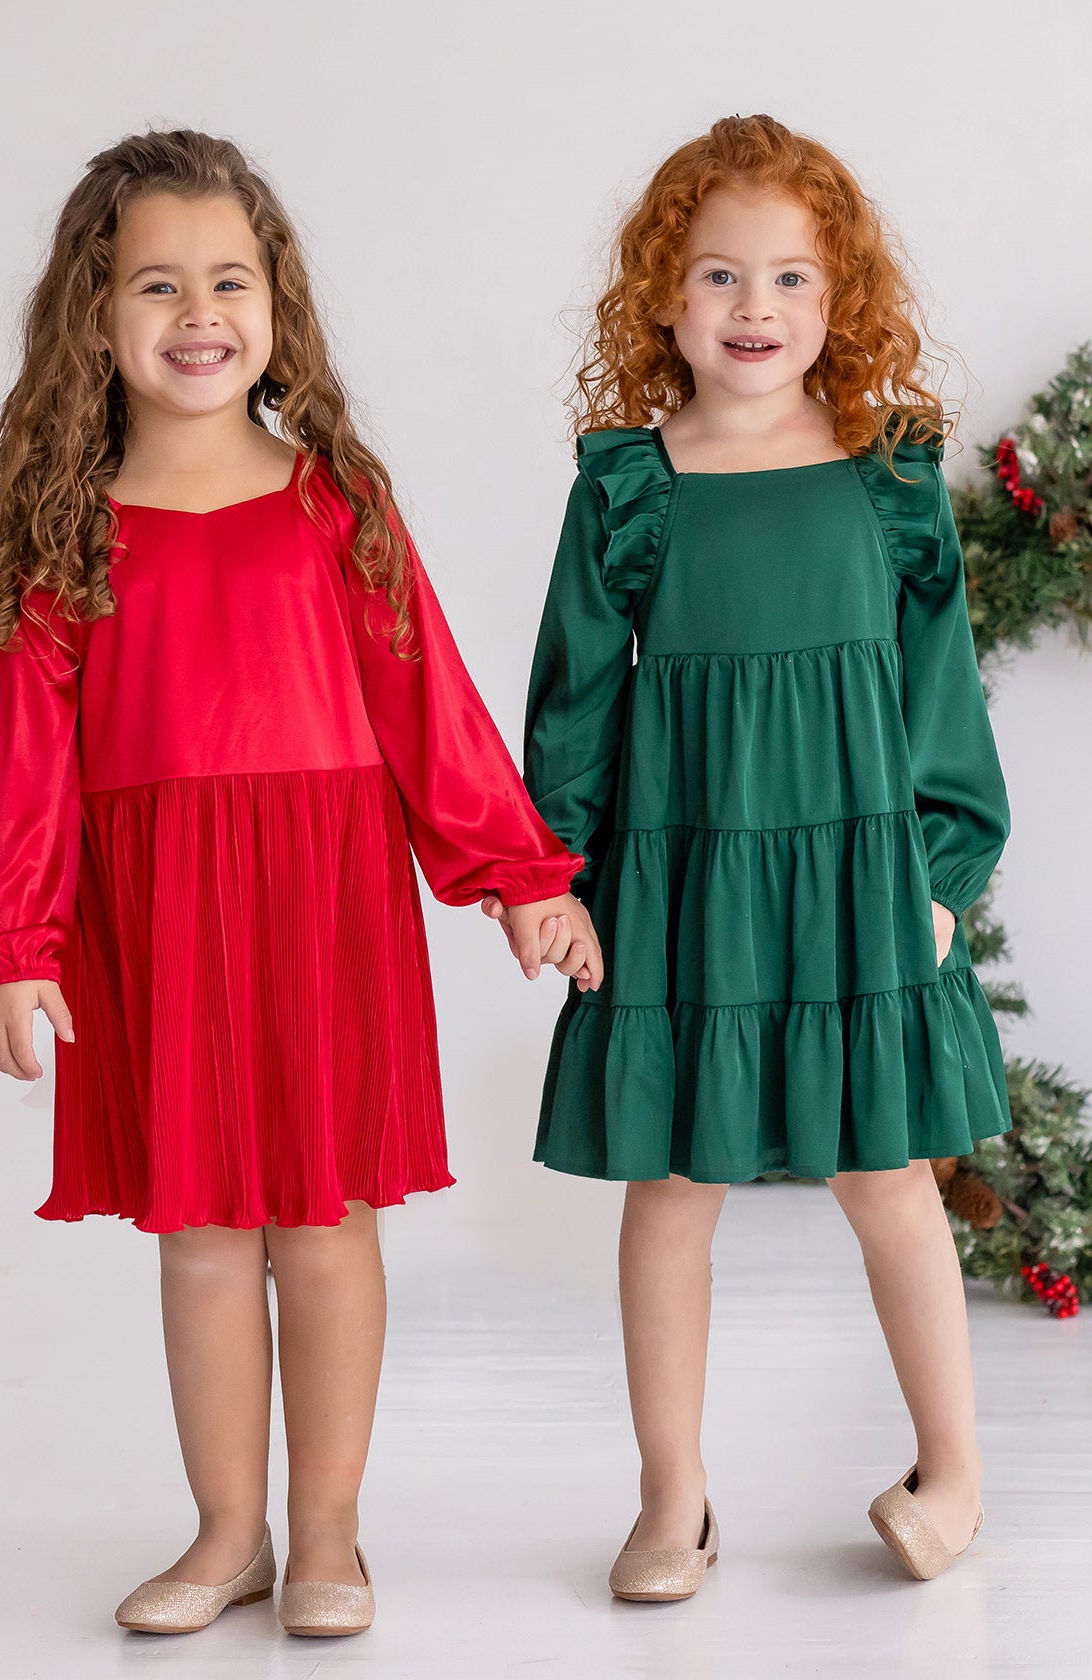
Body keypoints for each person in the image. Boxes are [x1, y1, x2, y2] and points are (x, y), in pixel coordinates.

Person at [0, 127, 600, 1639]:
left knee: (322, 1225)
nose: (198, 314)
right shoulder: (66, 533)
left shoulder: (332, 499)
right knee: (199, 1237)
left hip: (320, 900)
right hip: (158, 906)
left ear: (276, 301)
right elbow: (18, 758)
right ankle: (227, 1529)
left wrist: (516, 878)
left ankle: (326, 1537)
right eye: (156, 285)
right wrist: (11, 948)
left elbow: (425, 700)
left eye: (228, 280)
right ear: (93, 321)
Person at [483, 113, 1011, 1598]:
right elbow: (575, 696)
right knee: (672, 1188)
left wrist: (940, 873)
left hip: (857, 873)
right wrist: (555, 874)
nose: (755, 310)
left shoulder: (887, 476)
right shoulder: (630, 487)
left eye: (788, 278)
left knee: (889, 1174)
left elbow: (938, 695)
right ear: (665, 296)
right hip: (688, 870)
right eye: (719, 276)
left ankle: (954, 1473)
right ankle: (673, 1497)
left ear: (841, 301)